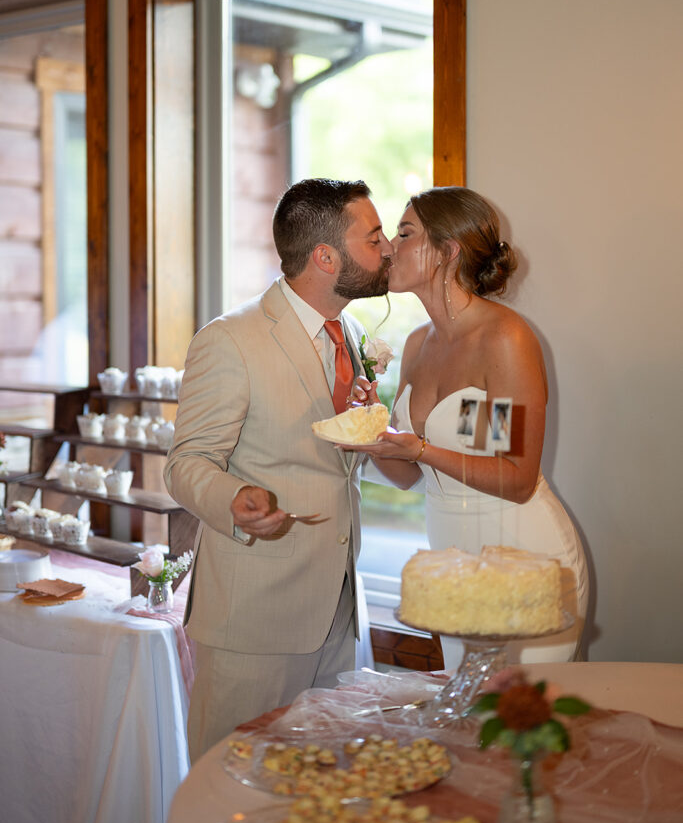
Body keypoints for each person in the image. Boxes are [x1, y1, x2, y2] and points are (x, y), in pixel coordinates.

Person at [164, 178, 393, 761]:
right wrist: (236, 497)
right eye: (373, 238)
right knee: (233, 798)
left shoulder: (356, 336)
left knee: (316, 800)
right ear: (325, 257)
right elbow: (186, 463)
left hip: (339, 610)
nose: (388, 247)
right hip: (254, 620)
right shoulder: (230, 340)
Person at [352, 186, 588, 669]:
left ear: (447, 250)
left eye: (405, 232)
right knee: (469, 719)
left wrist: (419, 449)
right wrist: (373, 433)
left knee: (521, 725)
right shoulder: (419, 344)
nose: (390, 247)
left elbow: (514, 477)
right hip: (453, 561)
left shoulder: (503, 338)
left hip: (525, 554)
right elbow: (413, 477)